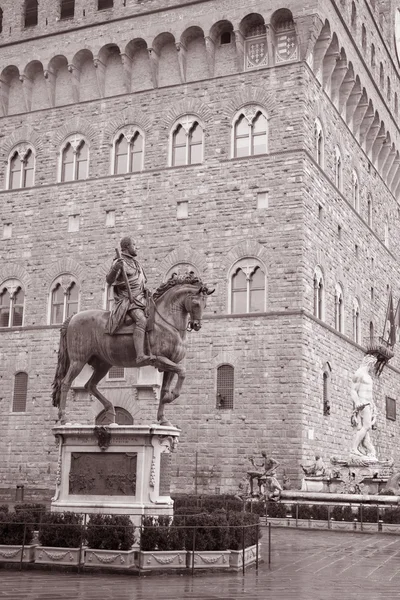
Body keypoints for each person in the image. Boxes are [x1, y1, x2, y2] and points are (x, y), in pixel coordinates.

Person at [106, 236, 153, 366]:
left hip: (141, 299)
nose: (136, 247)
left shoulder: (137, 264)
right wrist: (116, 268)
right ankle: (140, 355)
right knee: (141, 320)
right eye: (134, 244)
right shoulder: (119, 262)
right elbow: (109, 280)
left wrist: (147, 292)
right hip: (128, 300)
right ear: (127, 247)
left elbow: (141, 284)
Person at [350, 354, 378, 458]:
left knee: (364, 429)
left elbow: (370, 393)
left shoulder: (368, 375)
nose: (374, 367)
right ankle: (354, 448)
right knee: (366, 426)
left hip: (368, 404)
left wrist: (374, 407)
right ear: (370, 363)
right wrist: (357, 402)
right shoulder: (359, 373)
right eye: (373, 365)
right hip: (363, 404)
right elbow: (353, 390)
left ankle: (367, 450)